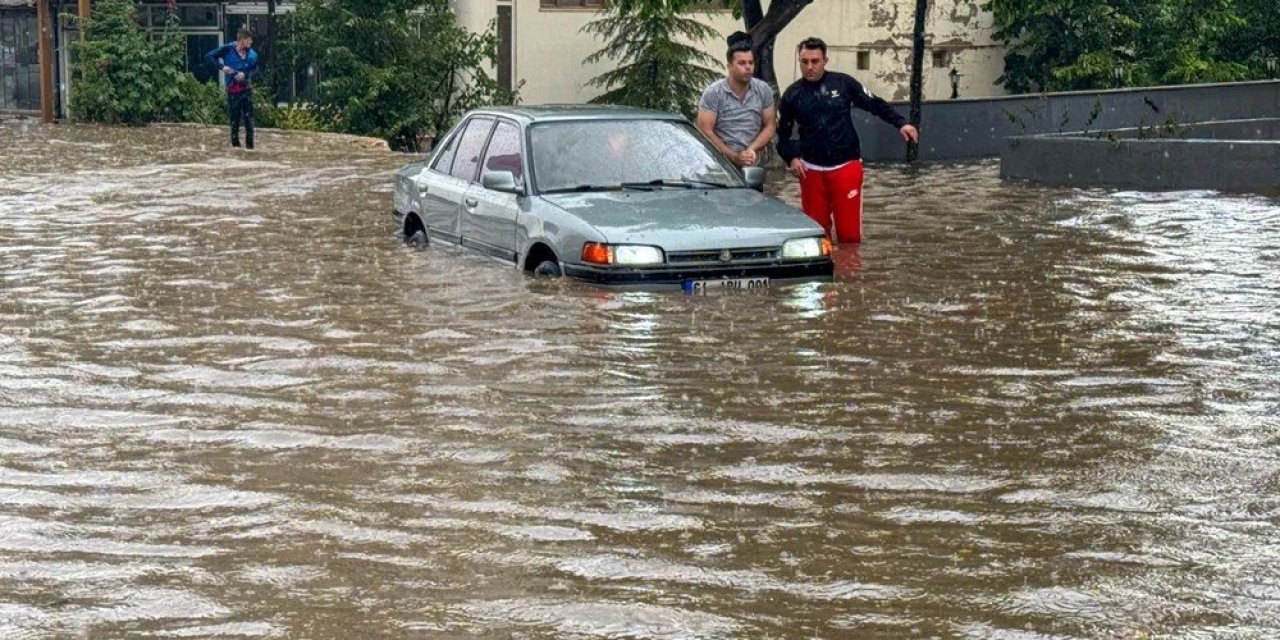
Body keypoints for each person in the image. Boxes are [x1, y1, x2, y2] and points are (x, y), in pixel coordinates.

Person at [776, 37, 919, 243]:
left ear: (825, 60)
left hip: (846, 166)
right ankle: (825, 273)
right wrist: (791, 158)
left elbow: (874, 104)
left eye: (815, 61)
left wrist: (901, 123)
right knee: (816, 236)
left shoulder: (843, 83)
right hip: (811, 170)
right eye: (804, 61)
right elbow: (783, 135)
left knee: (849, 235)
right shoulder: (792, 94)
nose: (809, 67)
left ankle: (850, 273)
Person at [696, 32, 777, 169]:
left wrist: (751, 150)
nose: (748, 67)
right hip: (721, 164)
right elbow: (705, 130)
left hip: (754, 162)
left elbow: (770, 125)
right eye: (742, 63)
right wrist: (733, 156)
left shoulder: (763, 90)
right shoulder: (714, 93)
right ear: (729, 67)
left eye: (750, 63)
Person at [206, 28, 259, 150]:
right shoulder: (227, 49)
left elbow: (256, 69)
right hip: (233, 92)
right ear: (242, 40)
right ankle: (236, 150)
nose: (251, 43)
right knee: (234, 122)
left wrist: (245, 74)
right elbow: (209, 57)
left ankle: (250, 150)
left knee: (249, 122)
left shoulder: (252, 55)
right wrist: (222, 67)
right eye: (249, 41)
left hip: (247, 90)